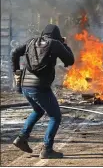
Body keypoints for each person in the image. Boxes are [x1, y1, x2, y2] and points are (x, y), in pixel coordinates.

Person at [12, 24, 74, 159]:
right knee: (55, 117)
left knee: (38, 110)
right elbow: (70, 60)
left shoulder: (31, 42)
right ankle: (47, 149)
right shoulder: (55, 44)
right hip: (40, 88)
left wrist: (16, 72)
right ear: (56, 37)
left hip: (25, 86)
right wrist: (64, 45)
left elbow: (15, 53)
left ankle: (22, 138)